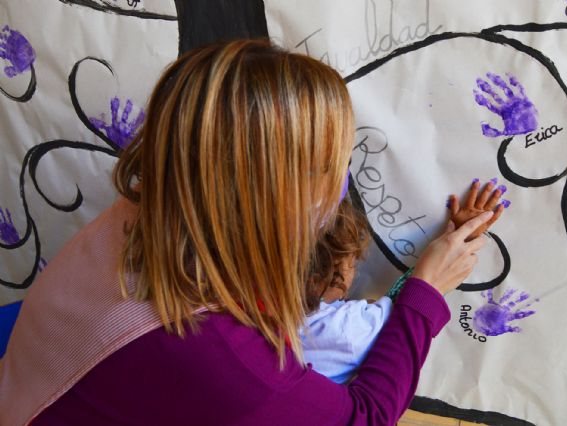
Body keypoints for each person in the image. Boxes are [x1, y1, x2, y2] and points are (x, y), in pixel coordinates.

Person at [0, 40, 501, 425]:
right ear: (268, 197)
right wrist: (426, 291)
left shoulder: (154, 204)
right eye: (327, 168)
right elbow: (364, 417)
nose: (341, 184)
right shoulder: (221, 360)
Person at [302, 181, 504, 385]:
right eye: (352, 263)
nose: (355, 269)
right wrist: (460, 238)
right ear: (321, 278)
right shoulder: (345, 330)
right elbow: (408, 308)